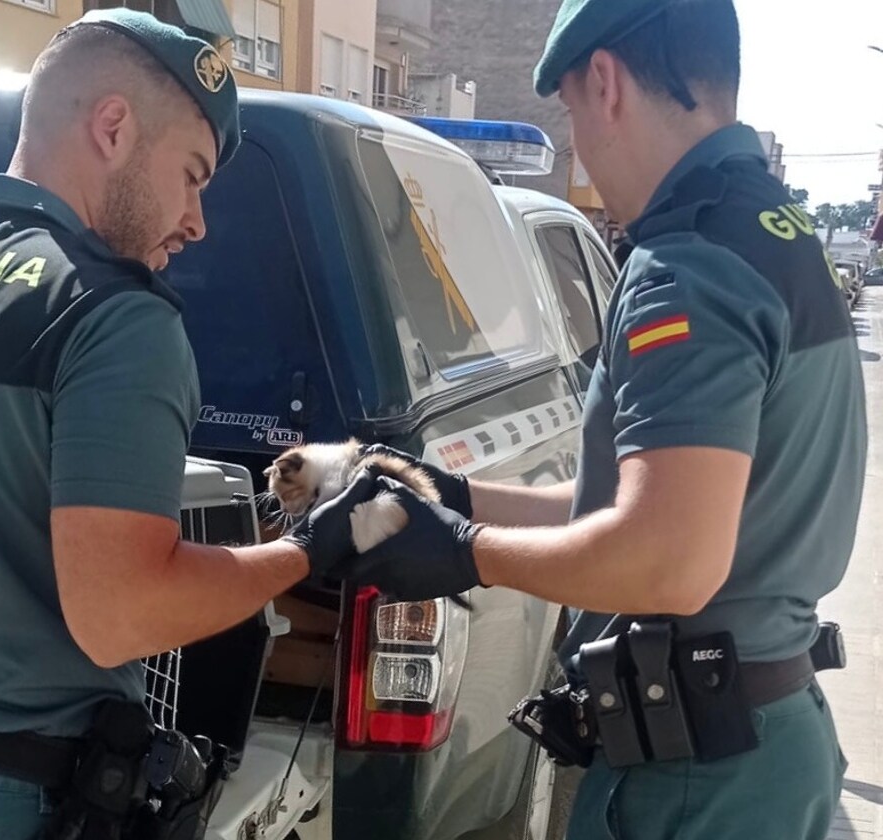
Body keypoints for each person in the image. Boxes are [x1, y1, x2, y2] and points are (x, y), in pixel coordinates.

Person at [0, 10, 368, 839]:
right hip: (24, 799)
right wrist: (305, 552)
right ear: (115, 127)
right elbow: (120, 615)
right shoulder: (116, 318)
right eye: (193, 175)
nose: (196, 219)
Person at [338, 1, 867, 837]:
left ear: (606, 83)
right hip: (754, 745)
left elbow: (666, 560)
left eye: (572, 110)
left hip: (695, 778)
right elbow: (634, 511)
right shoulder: (772, 231)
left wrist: (467, 555)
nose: (579, 140)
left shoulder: (686, 269)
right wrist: (451, 497)